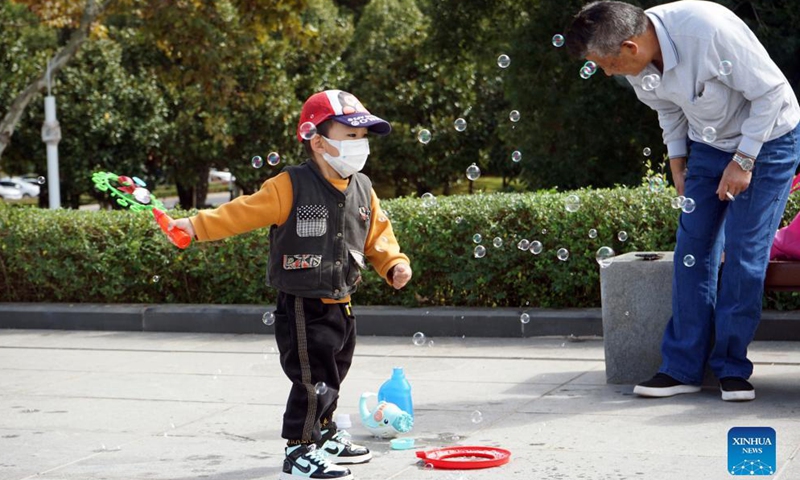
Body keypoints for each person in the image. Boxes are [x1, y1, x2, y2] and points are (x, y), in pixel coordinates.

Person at [169, 90, 413, 480]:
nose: (360, 145)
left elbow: (377, 235)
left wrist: (394, 263)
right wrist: (195, 226)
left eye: (363, 137)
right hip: (302, 304)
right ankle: (298, 449)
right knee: (312, 378)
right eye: (350, 135)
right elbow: (241, 212)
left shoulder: (364, 188)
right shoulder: (290, 185)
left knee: (335, 369)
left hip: (341, 300)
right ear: (318, 141)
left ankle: (326, 432)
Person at [567, 1, 800, 401]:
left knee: (745, 252)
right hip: (708, 144)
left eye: (606, 64)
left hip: (769, 139)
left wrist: (744, 161)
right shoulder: (640, 65)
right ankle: (682, 369)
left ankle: (731, 369)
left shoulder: (706, 31)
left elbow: (772, 93)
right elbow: (669, 110)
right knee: (693, 250)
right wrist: (678, 162)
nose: (606, 73)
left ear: (629, 47)